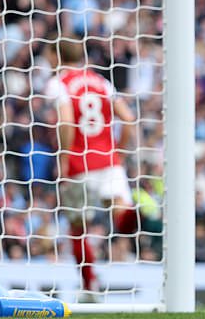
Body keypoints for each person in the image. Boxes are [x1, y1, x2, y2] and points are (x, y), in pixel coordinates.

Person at [44, 38, 137, 302]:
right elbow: (129, 118)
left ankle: (89, 285)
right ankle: (136, 230)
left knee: (77, 227)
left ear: (57, 54)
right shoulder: (101, 82)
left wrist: (63, 157)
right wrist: (119, 148)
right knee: (120, 209)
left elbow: (66, 120)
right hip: (109, 161)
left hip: (78, 164)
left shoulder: (58, 83)